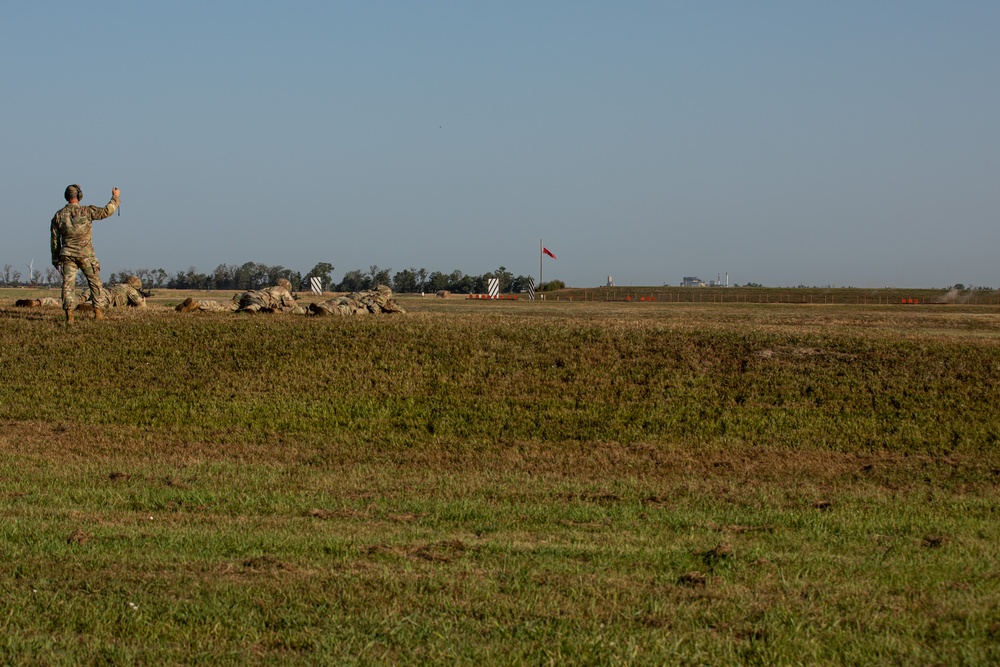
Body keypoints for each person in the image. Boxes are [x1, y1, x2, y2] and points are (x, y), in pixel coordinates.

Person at [50, 184, 120, 323]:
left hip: (67, 255)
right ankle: (98, 313)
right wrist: (115, 197)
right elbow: (106, 211)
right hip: (86, 255)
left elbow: (54, 240)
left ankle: (69, 316)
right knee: (95, 283)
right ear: (79, 196)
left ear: (66, 196)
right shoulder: (87, 211)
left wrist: (55, 258)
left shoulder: (58, 215)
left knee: (68, 286)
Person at [308, 285, 406, 316]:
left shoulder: (367, 292)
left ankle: (304, 310)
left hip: (347, 298)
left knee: (329, 303)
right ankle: (324, 311)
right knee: (343, 310)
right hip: (360, 306)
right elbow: (401, 312)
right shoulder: (383, 299)